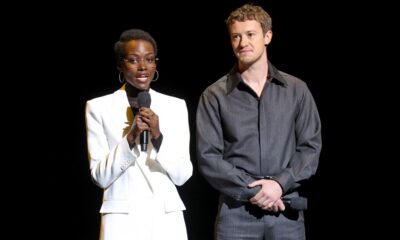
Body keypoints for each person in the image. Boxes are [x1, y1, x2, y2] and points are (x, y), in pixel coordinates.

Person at [196, 4, 322, 240]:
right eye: (236, 36)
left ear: (267, 36)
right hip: (236, 213)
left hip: (286, 212)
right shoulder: (214, 95)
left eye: (250, 34)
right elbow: (208, 157)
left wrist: (278, 185)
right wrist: (255, 190)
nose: (242, 42)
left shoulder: (296, 90)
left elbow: (310, 147)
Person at [85, 28, 193, 240]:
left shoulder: (176, 106)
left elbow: (183, 175)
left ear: (155, 63)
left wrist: (158, 137)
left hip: (165, 219)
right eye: (133, 60)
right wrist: (131, 138)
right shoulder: (98, 107)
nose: (143, 67)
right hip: (122, 221)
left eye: (149, 59)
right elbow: (99, 176)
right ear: (120, 64)